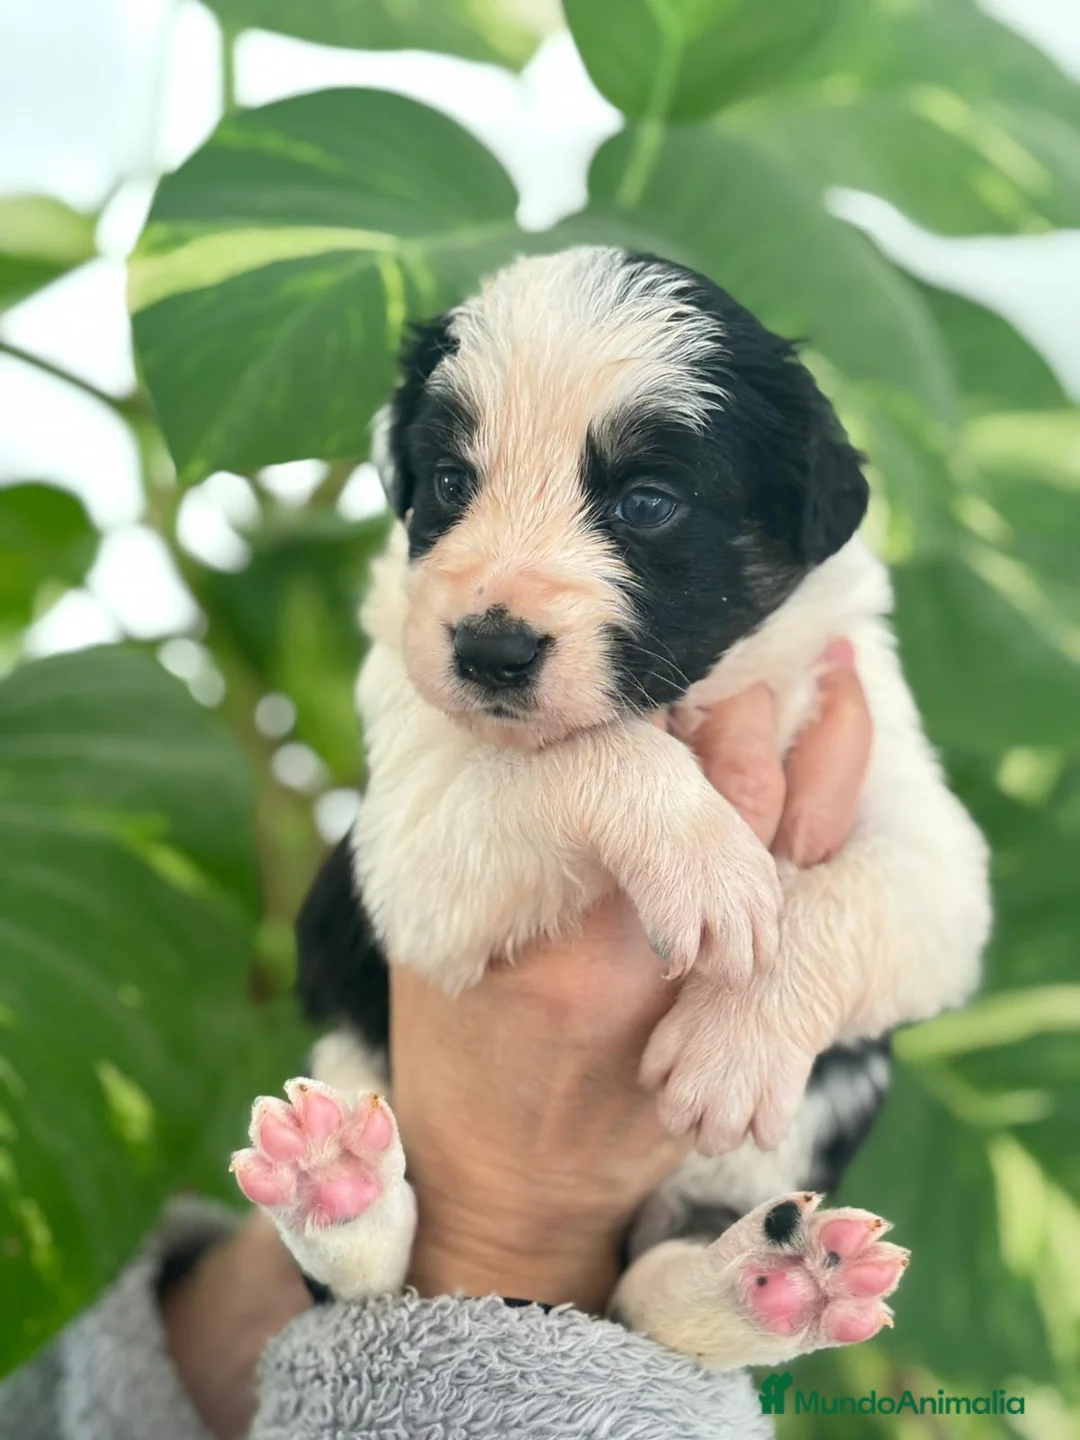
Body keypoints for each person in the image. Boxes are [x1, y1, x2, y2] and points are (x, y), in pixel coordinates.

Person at [0, 650, 872, 1440]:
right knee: (354, 1130)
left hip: (723, 1164)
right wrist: (511, 1229)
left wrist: (788, 992)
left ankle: (693, 1289)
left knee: (685, 1237)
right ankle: (364, 1239)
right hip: (406, 1064)